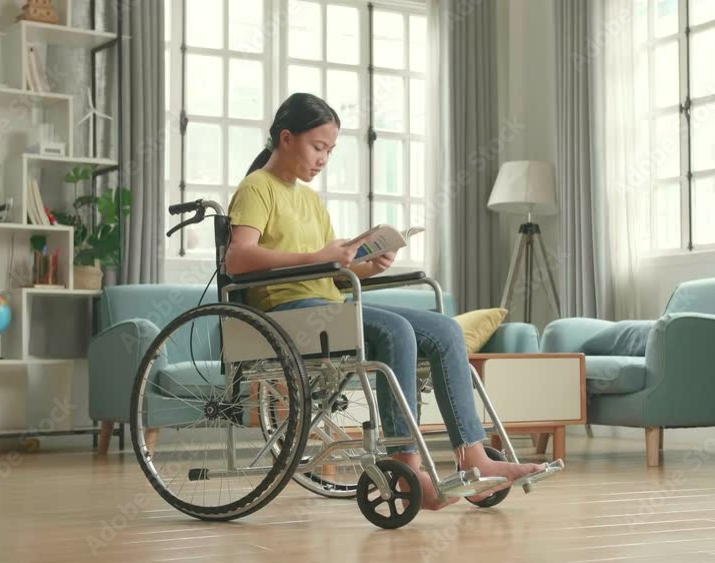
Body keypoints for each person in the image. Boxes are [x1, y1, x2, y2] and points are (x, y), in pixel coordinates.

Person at [225, 93, 544, 510]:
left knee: (445, 328)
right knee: (395, 330)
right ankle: (407, 464)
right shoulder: (256, 189)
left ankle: (476, 456)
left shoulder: (309, 199)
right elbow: (238, 258)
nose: (323, 159)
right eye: (318, 147)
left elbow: (329, 274)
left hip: (327, 305)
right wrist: (320, 257)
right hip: (285, 315)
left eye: (330, 151)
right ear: (286, 138)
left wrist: (367, 266)